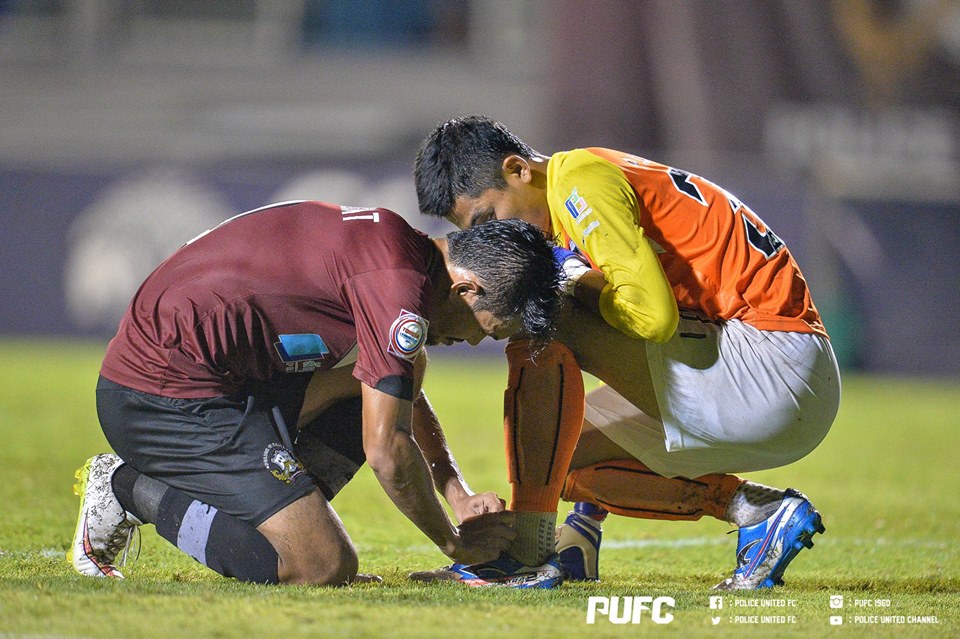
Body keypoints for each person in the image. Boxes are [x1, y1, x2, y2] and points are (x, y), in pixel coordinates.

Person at [410, 116, 841, 590]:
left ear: (518, 170)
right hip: (778, 373)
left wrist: (570, 277)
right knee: (557, 459)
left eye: (489, 219)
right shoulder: (577, 191)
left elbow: (653, 318)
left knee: (543, 313)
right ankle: (754, 512)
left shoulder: (578, 182)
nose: (497, 238)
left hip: (771, 365)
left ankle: (524, 557)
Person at [69, 200, 563, 586]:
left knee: (400, 373)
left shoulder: (400, 254)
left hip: (217, 377)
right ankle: (126, 488)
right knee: (321, 565)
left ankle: (284, 519)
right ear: (466, 289)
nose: (473, 341)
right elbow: (386, 450)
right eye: (486, 328)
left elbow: (401, 384)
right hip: (159, 397)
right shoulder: (396, 289)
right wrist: (454, 544)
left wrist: (455, 492)